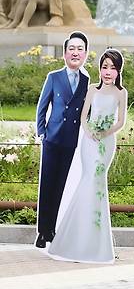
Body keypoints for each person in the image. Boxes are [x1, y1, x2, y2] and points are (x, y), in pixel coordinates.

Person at [46, 49, 127, 263]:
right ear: (100, 69)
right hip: (89, 142)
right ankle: (75, 240)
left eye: (112, 68)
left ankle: (95, 245)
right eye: (104, 67)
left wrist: (105, 132)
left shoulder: (121, 93)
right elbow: (83, 116)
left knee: (97, 185)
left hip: (106, 143)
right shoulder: (92, 89)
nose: (108, 72)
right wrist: (90, 132)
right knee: (87, 181)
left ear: (119, 71)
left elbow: (121, 121)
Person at [35, 31, 89, 249]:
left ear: (85, 54)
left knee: (61, 187)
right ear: (65, 53)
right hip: (51, 139)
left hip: (71, 142)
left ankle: (52, 229)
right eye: (71, 49)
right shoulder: (54, 77)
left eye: (80, 49)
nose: (75, 53)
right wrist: (42, 132)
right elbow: (42, 106)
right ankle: (42, 231)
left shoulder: (87, 82)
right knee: (46, 185)